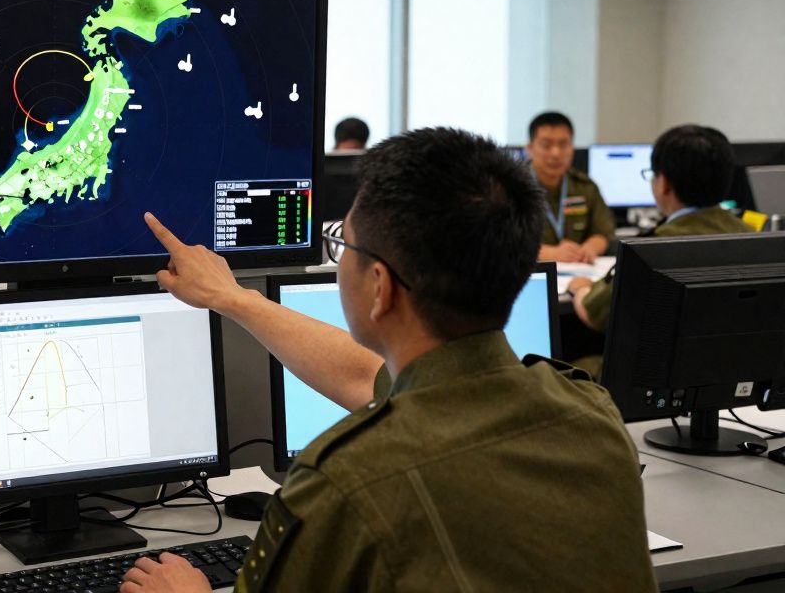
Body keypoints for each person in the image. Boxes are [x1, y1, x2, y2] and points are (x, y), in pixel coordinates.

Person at [122, 128, 656, 593]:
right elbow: (369, 377)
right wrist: (233, 298)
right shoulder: (591, 413)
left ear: (379, 286)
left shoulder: (347, 478)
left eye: (346, 248)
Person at [569, 124, 753, 337]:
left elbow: (596, 314)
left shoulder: (653, 250)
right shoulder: (755, 237)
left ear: (663, 183)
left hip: (655, 369)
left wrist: (580, 289)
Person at [525, 111, 614, 264]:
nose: (556, 153)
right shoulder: (510, 187)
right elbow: (498, 241)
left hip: (578, 271)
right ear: (530, 149)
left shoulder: (585, 187)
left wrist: (588, 249)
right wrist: (549, 253)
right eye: (546, 145)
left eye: (563, 144)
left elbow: (603, 231)